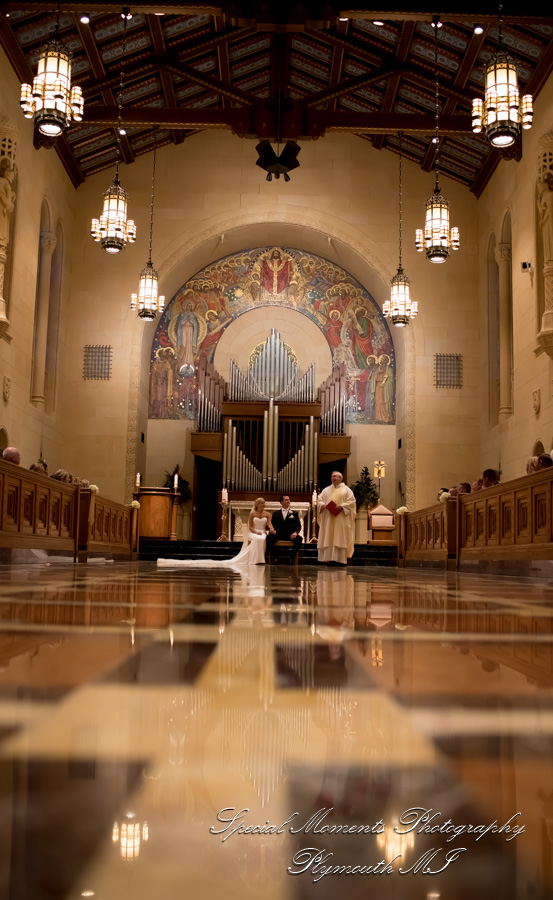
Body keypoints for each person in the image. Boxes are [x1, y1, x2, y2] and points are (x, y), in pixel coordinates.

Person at [157, 497, 276, 568]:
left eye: (264, 503)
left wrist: (271, 529)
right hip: (254, 532)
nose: (264, 504)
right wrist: (256, 532)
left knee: (262, 538)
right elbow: (250, 527)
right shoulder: (252, 514)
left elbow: (269, 524)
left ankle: (260, 560)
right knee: (258, 538)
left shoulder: (267, 514)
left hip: (262, 532)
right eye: (262, 503)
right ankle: (255, 560)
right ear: (257, 504)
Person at [317, 471, 356, 566]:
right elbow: (319, 499)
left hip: (341, 518)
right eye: (332, 476)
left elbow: (352, 501)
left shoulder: (347, 490)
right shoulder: (326, 490)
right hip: (328, 517)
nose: (333, 478)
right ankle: (328, 558)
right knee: (328, 536)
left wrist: (342, 505)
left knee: (339, 538)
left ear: (340, 478)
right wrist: (322, 505)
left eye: (335, 476)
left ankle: (340, 560)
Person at [266, 494, 303, 564]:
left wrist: (295, 532)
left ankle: (292, 558)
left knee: (299, 539)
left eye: (289, 500)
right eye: (286, 500)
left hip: (289, 535)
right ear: (281, 502)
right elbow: (271, 525)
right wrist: (272, 530)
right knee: (269, 538)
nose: (288, 501)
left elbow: (298, 526)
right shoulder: (275, 514)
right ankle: (275, 557)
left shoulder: (294, 513)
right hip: (278, 534)